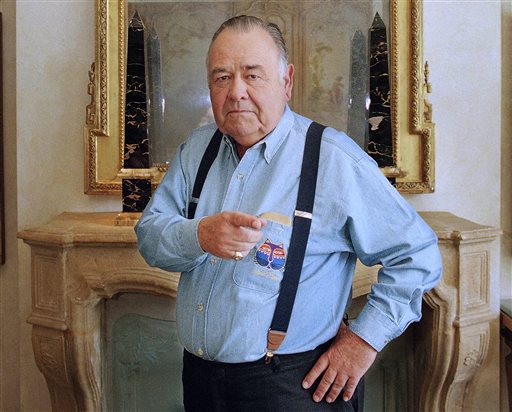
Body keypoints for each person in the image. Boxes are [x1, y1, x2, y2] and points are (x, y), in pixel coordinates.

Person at [135, 15, 442, 411]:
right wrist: (199, 236)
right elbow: (150, 236)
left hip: (295, 387)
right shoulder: (196, 150)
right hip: (200, 382)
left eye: (253, 75)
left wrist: (363, 342)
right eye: (222, 77)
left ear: (287, 81)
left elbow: (417, 255)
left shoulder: (333, 159)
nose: (236, 92)